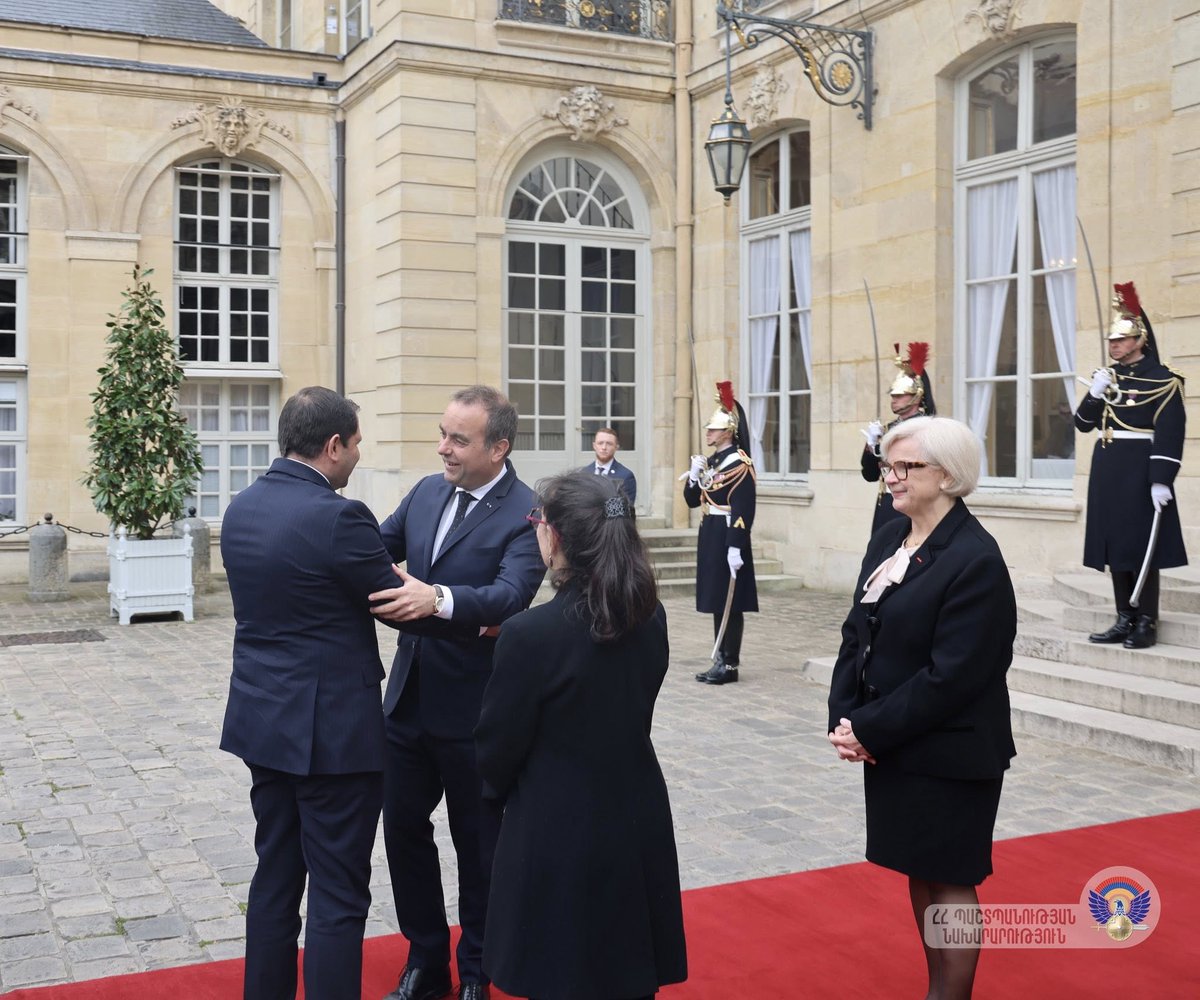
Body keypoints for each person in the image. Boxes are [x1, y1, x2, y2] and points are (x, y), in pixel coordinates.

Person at [475, 472, 688, 1000]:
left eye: (537, 522)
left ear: (557, 538)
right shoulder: (651, 616)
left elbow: (497, 749)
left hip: (555, 827)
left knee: (561, 973)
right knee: (625, 971)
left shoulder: (529, 635)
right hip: (635, 815)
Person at [220, 386, 399, 1000]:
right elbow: (393, 603)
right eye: (354, 445)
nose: (355, 456)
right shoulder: (339, 515)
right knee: (338, 892)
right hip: (334, 735)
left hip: (262, 720)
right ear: (332, 446)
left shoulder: (241, 506)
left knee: (274, 875)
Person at [827, 416, 1016, 1000]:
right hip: (898, 743)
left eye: (908, 467)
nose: (892, 477)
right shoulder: (891, 536)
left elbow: (953, 677)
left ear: (950, 476)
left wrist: (870, 728)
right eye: (890, 466)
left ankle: (948, 995)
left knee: (951, 880)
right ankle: (936, 987)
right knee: (920, 870)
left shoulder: (976, 559)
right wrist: (843, 714)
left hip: (951, 748)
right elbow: (858, 629)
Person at [370, 385, 546, 1000]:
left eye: (458, 439)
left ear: (499, 447)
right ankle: (425, 960)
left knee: (479, 849)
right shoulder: (424, 493)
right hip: (408, 703)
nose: (442, 448)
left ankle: (477, 970)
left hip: (475, 713)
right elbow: (378, 551)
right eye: (443, 434)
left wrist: (437, 598)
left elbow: (512, 594)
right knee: (403, 834)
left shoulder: (528, 510)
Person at [1074, 281, 1187, 650]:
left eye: (1121, 340)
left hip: (1140, 469)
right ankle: (1124, 616)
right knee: (1113, 544)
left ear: (1140, 340)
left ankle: (1147, 620)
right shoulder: (1108, 378)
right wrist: (1094, 394)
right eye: (1111, 340)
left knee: (1142, 546)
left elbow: (1170, 432)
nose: (1114, 345)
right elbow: (1083, 424)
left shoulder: (1164, 380)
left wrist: (1161, 480)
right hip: (1107, 467)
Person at [683, 381, 757, 686]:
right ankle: (719, 657)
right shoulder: (712, 462)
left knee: (732, 601)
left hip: (728, 535)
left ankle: (730, 664)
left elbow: (743, 508)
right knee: (717, 598)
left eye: (714, 429)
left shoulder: (740, 464)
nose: (708, 433)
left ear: (728, 432)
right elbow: (691, 500)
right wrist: (693, 476)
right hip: (710, 533)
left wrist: (736, 545)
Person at [861, 342, 935, 535]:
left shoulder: (928, 429)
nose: (894, 399)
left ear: (917, 396)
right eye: (893, 394)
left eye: (901, 395)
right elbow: (869, 475)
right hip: (888, 501)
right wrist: (871, 444)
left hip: (916, 502)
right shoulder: (885, 429)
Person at [581, 426, 637, 503]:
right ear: (594, 446)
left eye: (609, 444)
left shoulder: (625, 476)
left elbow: (627, 509)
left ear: (616, 447)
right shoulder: (583, 473)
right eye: (600, 443)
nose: (604, 447)